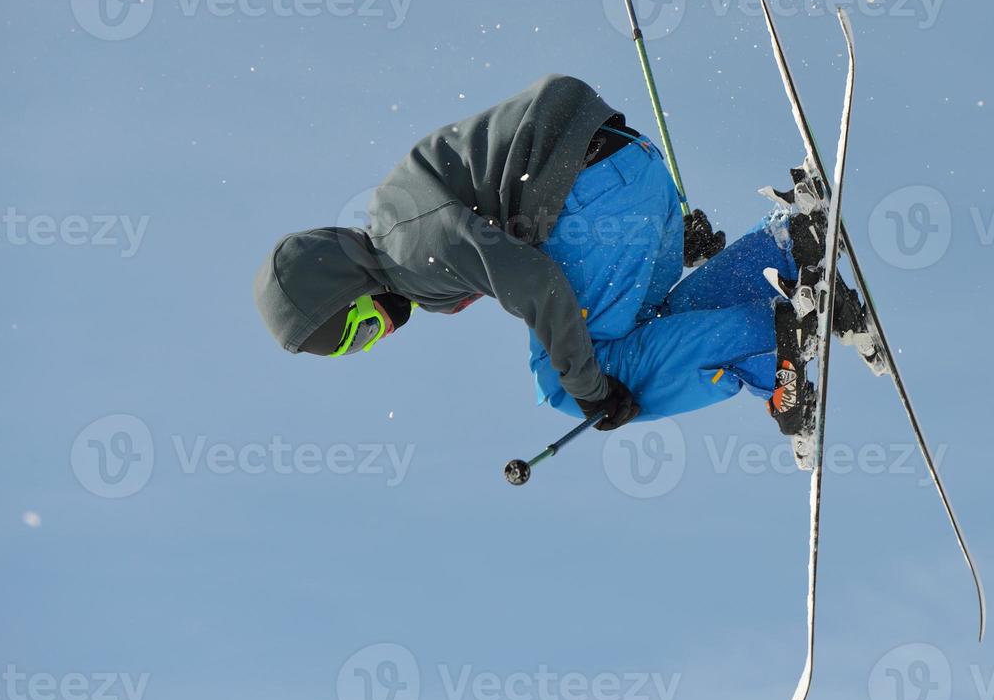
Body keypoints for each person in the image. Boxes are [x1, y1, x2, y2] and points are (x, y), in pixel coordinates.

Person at [253, 74, 874, 460]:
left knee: (565, 376)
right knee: (642, 335)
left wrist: (588, 388)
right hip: (624, 174)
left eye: (359, 327)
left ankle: (777, 339)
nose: (377, 334)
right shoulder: (403, 221)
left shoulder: (405, 248)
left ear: (349, 283)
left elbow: (537, 283)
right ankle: (792, 247)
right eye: (358, 347)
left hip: (588, 192)